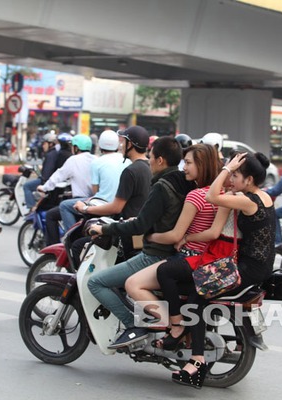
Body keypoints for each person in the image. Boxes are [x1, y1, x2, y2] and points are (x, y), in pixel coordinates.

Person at [148, 152, 275, 388]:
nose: (232, 179)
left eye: (236, 176)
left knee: (197, 294)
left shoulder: (248, 200)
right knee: (195, 291)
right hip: (256, 265)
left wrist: (226, 168)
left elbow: (211, 195)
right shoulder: (263, 196)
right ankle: (186, 343)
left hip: (247, 268)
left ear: (248, 180)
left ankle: (195, 360)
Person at [87, 137, 197, 348]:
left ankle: (132, 325)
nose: (148, 160)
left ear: (161, 160)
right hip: (172, 253)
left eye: (151, 156)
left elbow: (140, 226)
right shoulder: (184, 182)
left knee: (96, 282)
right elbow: (154, 219)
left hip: (154, 254)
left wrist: (105, 228)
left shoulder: (162, 186)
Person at [110, 143, 222, 348]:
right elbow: (213, 232)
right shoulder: (220, 193)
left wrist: (151, 236)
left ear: (202, 165)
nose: (184, 168)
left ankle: (173, 325)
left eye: (188, 163)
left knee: (132, 284)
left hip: (187, 256)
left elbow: (175, 235)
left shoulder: (195, 195)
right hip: (210, 257)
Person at [72, 128, 151, 264]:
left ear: (130, 144)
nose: (121, 146)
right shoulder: (149, 167)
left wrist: (85, 209)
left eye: (124, 142)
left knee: (78, 246)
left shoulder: (131, 171)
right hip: (140, 231)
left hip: (125, 233)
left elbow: (116, 207)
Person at [38, 134, 95, 245]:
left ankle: (65, 243)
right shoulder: (95, 159)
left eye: (72, 146)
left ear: (76, 147)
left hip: (80, 202)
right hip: (94, 201)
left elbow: (58, 176)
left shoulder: (73, 160)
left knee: (51, 215)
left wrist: (44, 188)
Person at [23, 132, 59, 210]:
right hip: (49, 180)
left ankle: (31, 208)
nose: (43, 146)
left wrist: (42, 180)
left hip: (46, 181)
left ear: (51, 144)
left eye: (44, 144)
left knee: (27, 186)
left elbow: (47, 173)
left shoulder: (50, 155)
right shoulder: (53, 153)